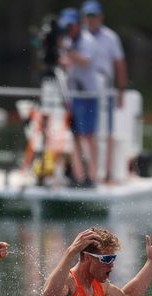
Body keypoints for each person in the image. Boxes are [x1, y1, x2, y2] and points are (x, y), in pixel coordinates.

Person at [80, 0, 128, 183]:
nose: (90, 20)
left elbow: (119, 64)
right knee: (86, 133)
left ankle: (107, 172)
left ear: (100, 17)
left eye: (93, 16)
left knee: (107, 132)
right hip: (84, 90)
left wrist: (121, 90)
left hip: (104, 89)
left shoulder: (110, 37)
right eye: (87, 17)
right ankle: (88, 172)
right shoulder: (79, 37)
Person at [58, 8, 100, 187]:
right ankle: (78, 176)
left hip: (88, 94)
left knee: (87, 136)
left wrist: (66, 51)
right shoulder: (68, 42)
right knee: (74, 136)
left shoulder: (88, 40)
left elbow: (84, 61)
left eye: (70, 26)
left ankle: (92, 176)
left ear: (77, 25)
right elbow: (66, 62)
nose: (68, 29)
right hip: (74, 95)